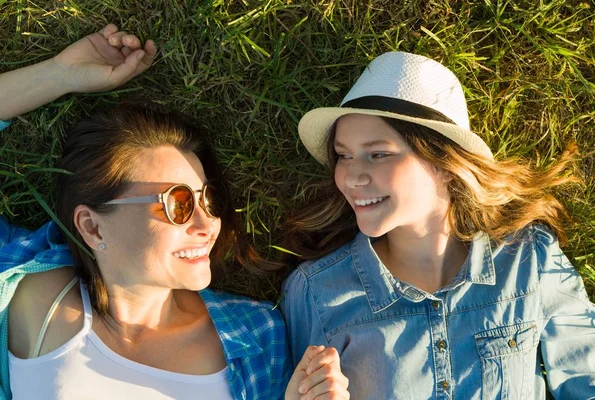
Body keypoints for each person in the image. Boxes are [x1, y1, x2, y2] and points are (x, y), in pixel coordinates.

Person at [0, 24, 349, 400]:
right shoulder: (29, 291)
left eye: (207, 199)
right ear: (92, 227)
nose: (208, 223)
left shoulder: (257, 335)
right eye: (178, 203)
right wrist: (58, 74)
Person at [280, 51, 595, 399]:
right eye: (343, 155)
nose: (352, 177)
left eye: (378, 154)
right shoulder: (315, 293)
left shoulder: (528, 259)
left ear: (445, 163)